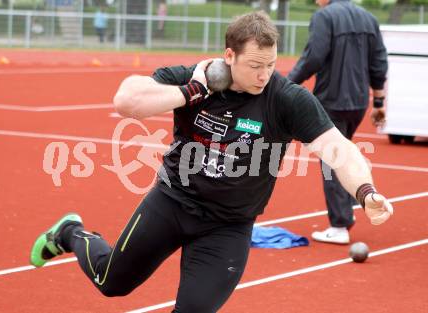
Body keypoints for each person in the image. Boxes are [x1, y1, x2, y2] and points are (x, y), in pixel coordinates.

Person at [30, 11, 393, 312]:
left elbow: (339, 150)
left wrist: (365, 190)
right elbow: (126, 100)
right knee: (112, 283)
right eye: (254, 65)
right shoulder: (196, 79)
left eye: (269, 64)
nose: (263, 75)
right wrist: (191, 92)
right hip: (172, 203)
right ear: (229, 56)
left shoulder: (286, 98)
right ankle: (69, 233)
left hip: (228, 226)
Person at [287, 0, 388, 244]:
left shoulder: (325, 16)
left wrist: (286, 84)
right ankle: (353, 194)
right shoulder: (368, 17)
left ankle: (340, 223)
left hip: (332, 99)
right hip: (358, 101)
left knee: (332, 160)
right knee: (344, 153)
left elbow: (314, 57)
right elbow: (379, 61)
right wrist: (378, 102)